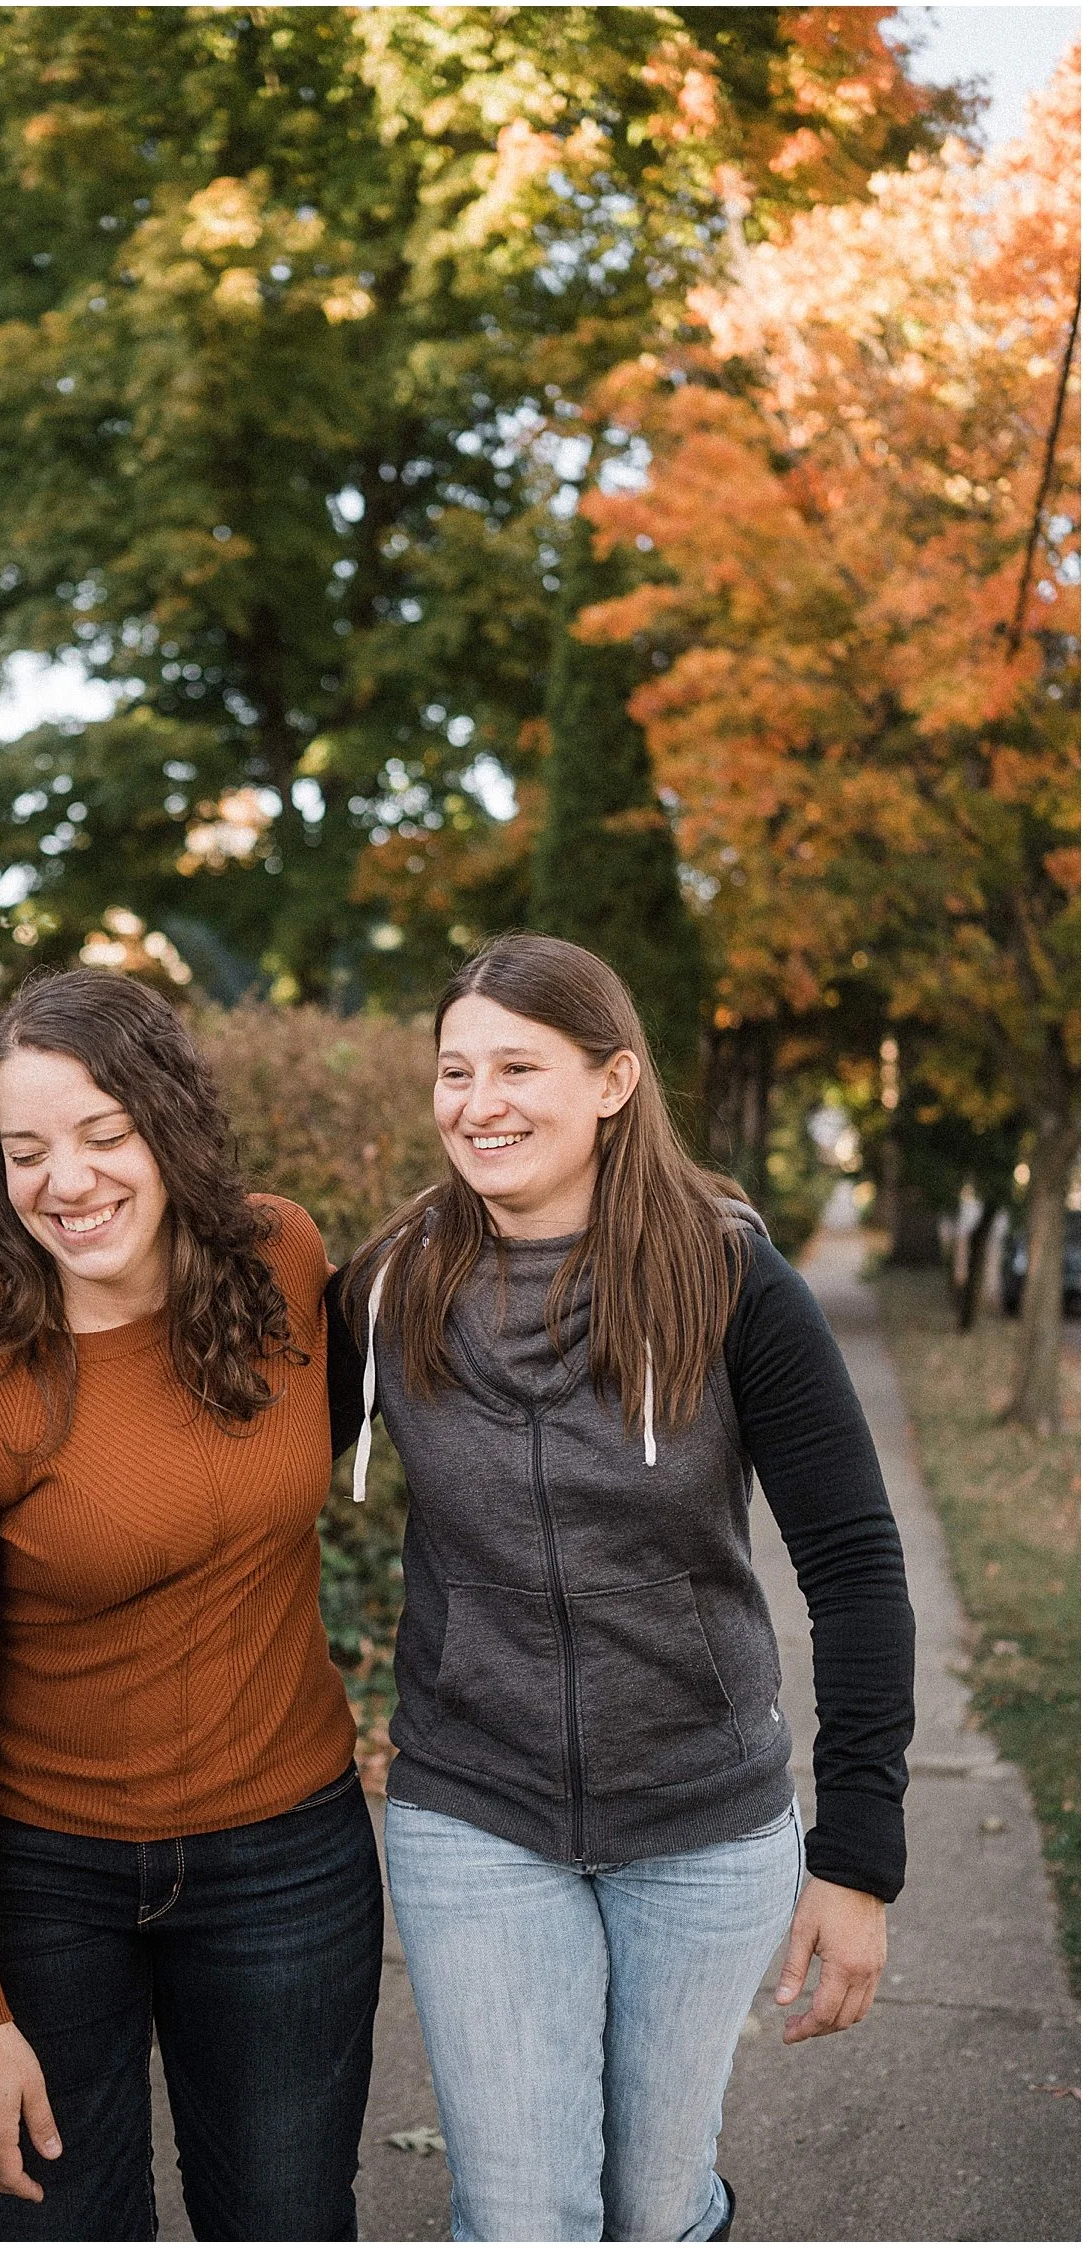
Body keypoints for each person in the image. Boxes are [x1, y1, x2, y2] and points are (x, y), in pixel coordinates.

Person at [331, 933, 915, 2244]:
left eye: (517, 1067)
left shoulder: (729, 1280)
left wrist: (859, 1856)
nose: (478, 1102)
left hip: (704, 1828)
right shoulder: (389, 1288)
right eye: (454, 1070)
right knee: (527, 2215)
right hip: (474, 1815)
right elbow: (225, 1460)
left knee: (651, 2208)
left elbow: (858, 1565)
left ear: (612, 1082)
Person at [0, 968, 383, 2243]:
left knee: (287, 2222)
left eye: (105, 1134)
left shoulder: (283, 1261)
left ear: (171, 1128)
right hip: (46, 1883)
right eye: (27, 1149)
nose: (70, 1180)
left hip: (287, 1862)